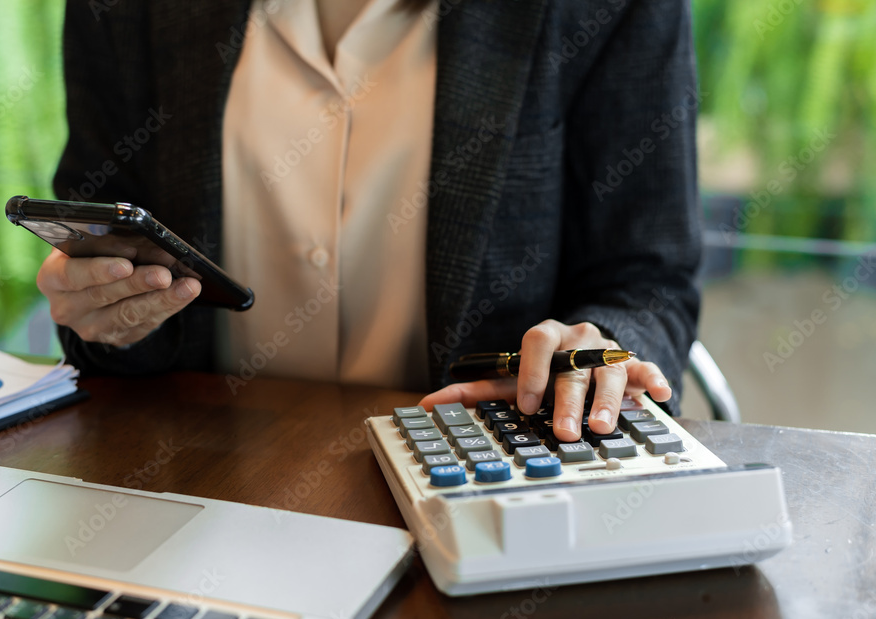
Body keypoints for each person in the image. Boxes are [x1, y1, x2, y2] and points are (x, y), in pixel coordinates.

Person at [37, 0, 701, 443]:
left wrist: (599, 351)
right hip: (196, 478)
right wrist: (112, 320)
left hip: (482, 484)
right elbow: (105, 257)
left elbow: (648, 281)